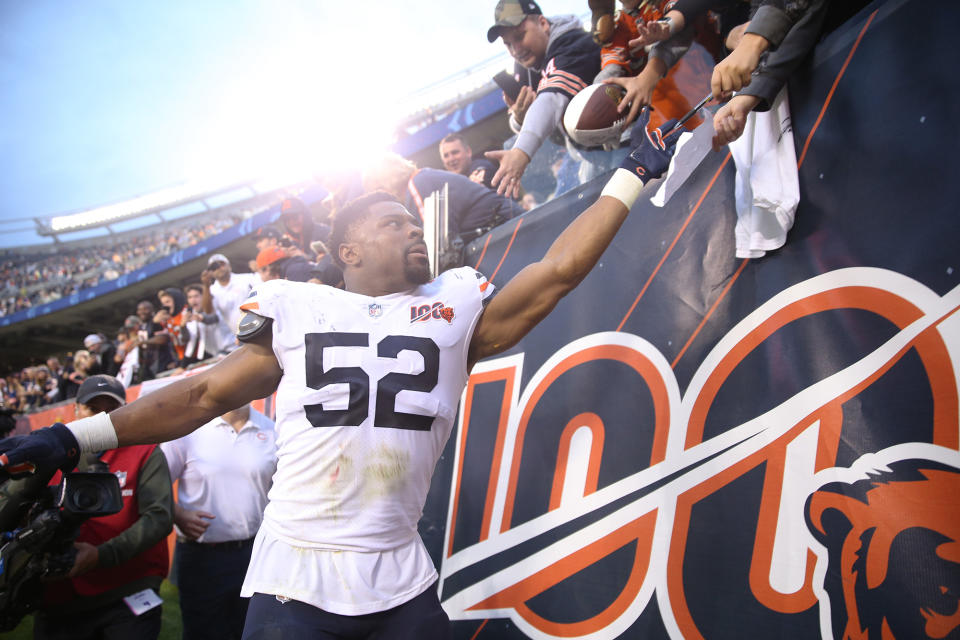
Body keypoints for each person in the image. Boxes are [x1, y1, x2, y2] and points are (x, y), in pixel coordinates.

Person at [0, 115, 682, 639]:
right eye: (396, 222)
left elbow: (557, 272)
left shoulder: (455, 306)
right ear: (350, 251)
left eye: (416, 221)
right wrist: (73, 440)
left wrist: (631, 177)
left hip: (400, 574)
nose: (416, 229)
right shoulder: (299, 307)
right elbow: (204, 394)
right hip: (295, 577)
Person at [0, 374, 173, 640]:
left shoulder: (145, 452)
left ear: (125, 411)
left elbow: (159, 518)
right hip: (57, 596)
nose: (101, 417)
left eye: (111, 409)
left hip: (127, 589)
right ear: (76, 409)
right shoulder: (48, 455)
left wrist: (101, 555)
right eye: (93, 408)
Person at [161, 404, 277, 640]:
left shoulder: (272, 430)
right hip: (202, 557)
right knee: (202, 633)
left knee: (253, 632)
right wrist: (178, 514)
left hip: (256, 556)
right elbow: (152, 487)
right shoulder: (189, 430)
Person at [485, 0, 602, 198]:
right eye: (508, 44)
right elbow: (532, 119)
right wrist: (520, 118)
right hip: (587, 155)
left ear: (543, 23)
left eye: (520, 36)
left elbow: (551, 100)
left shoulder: (572, 42)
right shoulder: (527, 65)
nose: (516, 49)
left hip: (626, 143)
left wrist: (520, 152)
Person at [362, 153, 523, 242]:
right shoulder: (423, 179)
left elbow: (436, 248)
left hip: (512, 234)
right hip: (509, 230)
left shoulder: (418, 183)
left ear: (386, 180)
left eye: (378, 189)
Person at [201, 254, 260, 354]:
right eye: (214, 267)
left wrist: (258, 270)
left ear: (229, 266)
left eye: (222, 264)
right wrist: (206, 286)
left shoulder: (246, 278)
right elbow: (208, 311)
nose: (219, 268)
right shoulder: (212, 290)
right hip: (242, 337)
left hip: (260, 328)